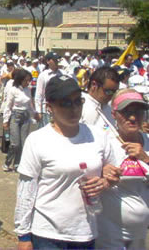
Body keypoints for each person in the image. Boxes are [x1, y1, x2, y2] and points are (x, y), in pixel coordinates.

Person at [14, 75, 114, 250]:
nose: (74, 109)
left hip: (86, 232)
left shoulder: (98, 136)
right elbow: (26, 190)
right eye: (66, 103)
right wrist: (23, 235)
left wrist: (106, 181)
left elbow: (112, 171)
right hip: (48, 234)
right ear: (50, 107)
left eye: (78, 102)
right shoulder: (37, 140)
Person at [96, 89, 149, 249]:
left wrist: (145, 158)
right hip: (109, 234)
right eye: (126, 113)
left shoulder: (147, 142)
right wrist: (102, 172)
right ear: (114, 115)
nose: (133, 118)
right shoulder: (104, 143)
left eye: (138, 112)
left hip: (139, 234)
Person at [2, 69, 35, 172]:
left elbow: (29, 105)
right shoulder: (13, 90)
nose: (28, 82)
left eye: (29, 80)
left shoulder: (28, 90)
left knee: (23, 143)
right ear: (20, 80)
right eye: (26, 80)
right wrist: (5, 120)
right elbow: (8, 106)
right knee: (15, 143)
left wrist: (34, 114)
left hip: (25, 117)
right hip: (15, 116)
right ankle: (7, 162)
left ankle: (17, 164)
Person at [34, 52, 63, 127]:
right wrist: (39, 111)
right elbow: (39, 94)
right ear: (48, 61)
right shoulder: (43, 75)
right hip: (46, 110)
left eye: (57, 59)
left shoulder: (62, 74)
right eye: (54, 60)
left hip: (58, 109)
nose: (56, 61)